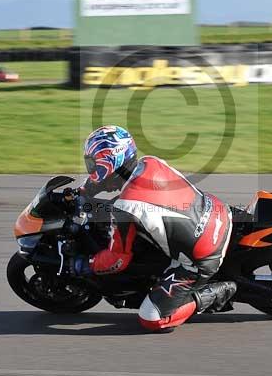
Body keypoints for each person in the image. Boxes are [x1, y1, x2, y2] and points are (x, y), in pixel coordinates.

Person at [73, 125, 237, 332]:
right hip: (218, 211)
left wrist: (83, 265)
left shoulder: (126, 207)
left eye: (93, 163)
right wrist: (83, 191)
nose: (92, 168)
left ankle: (213, 293)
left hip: (201, 258)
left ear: (108, 162)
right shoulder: (150, 162)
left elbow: (117, 261)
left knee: (151, 319)